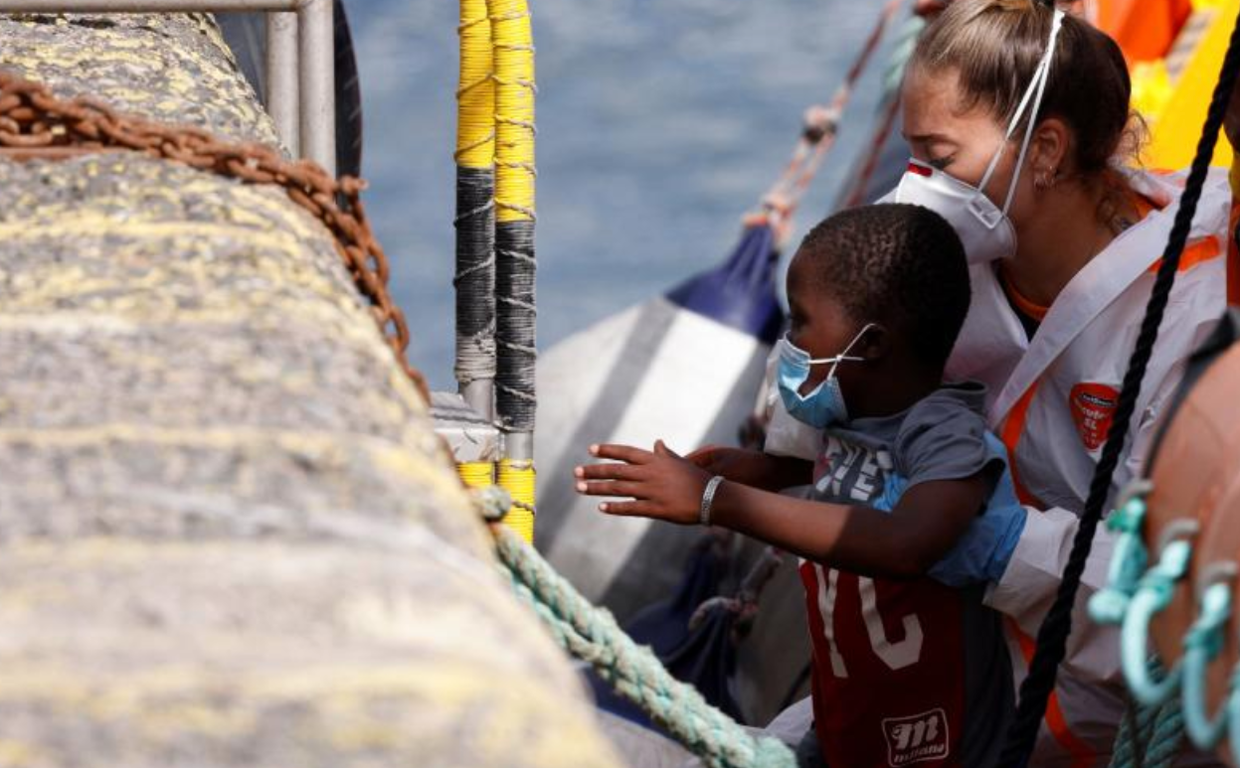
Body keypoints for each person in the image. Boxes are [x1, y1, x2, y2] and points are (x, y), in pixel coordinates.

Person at [766, 1, 1239, 764]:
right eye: (912, 156)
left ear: (1045, 150)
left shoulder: (1189, 315)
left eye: (939, 158)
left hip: (1090, 720)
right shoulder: (938, 244)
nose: (918, 186)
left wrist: (1002, 546)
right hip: (932, 679)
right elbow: (801, 403)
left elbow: (1165, 591)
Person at [576, 203, 1023, 768]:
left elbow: (909, 540)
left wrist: (718, 502)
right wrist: (768, 471)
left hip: (943, 749)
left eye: (801, 321)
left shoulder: (947, 435)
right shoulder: (850, 421)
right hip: (843, 734)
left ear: (869, 344)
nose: (789, 341)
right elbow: (856, 481)